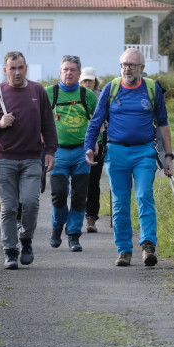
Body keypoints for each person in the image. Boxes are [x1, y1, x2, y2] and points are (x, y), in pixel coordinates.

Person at [84, 48, 174, 267]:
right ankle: (124, 249)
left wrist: (168, 157)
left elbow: (163, 124)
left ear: (142, 68)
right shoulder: (111, 88)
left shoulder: (152, 89)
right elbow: (96, 120)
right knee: (120, 203)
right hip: (116, 153)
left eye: (132, 65)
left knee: (144, 196)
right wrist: (89, 146)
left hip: (144, 151)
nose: (127, 69)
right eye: (124, 64)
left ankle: (148, 245)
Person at [0, 51, 57, 269]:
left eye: (21, 67)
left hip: (32, 158)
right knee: (9, 207)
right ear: (5, 71)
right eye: (12, 68)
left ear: (26, 68)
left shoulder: (37, 90)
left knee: (31, 202)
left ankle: (26, 240)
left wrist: (50, 151)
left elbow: (48, 124)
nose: (17, 72)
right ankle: (10, 251)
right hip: (4, 159)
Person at [46, 55, 97, 251]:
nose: (68, 73)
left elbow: (98, 121)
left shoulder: (87, 95)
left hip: (81, 153)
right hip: (58, 152)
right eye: (65, 69)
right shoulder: (49, 93)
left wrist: (97, 143)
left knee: (79, 196)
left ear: (79, 73)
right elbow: (38, 120)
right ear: (60, 72)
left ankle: (74, 235)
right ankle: (57, 226)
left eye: (72, 70)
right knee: (58, 194)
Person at [79, 66, 104, 233]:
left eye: (90, 80)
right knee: (78, 182)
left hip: (99, 142)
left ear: (95, 81)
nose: (87, 83)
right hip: (77, 143)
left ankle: (91, 217)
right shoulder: (75, 95)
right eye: (84, 80)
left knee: (93, 181)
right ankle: (75, 216)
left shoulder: (102, 96)